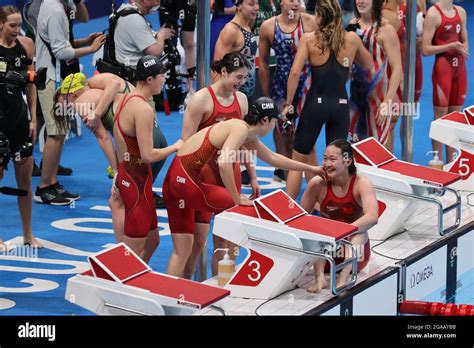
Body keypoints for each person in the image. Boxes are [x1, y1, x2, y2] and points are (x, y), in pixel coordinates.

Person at [163, 97, 327, 278]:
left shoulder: (244, 132)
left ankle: (175, 296)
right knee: (242, 212)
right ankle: (238, 278)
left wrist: (310, 168)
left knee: (182, 251)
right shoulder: (239, 129)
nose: (274, 127)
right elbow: (225, 163)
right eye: (274, 122)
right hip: (186, 182)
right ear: (265, 120)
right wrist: (236, 198)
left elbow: (273, 158)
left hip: (175, 180)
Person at [283, 0, 374, 199]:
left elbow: (295, 73)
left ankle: (289, 210)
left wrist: (288, 105)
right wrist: (354, 47)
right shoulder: (350, 39)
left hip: (315, 105)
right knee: (337, 162)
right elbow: (368, 63)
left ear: (320, 16)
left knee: (298, 161)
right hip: (341, 107)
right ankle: (334, 209)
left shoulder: (309, 39)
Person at [181, 52, 254, 278]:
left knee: (227, 242)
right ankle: (185, 296)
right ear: (223, 72)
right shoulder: (201, 99)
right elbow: (185, 146)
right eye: (238, 77)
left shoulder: (241, 100)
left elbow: (243, 141)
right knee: (197, 244)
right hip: (203, 177)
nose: (241, 83)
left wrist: (252, 175)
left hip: (230, 174)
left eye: (244, 78)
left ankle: (223, 289)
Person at [34, 0, 105, 205]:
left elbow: (64, 40)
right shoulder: (55, 10)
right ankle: (43, 187)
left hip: (61, 77)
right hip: (51, 79)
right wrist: (91, 49)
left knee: (61, 131)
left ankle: (53, 181)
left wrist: (84, 42)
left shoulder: (62, 5)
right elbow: (60, 52)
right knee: (55, 132)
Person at [113, 55, 183, 262]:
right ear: (150, 79)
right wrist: (175, 147)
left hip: (133, 177)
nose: (165, 80)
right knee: (129, 254)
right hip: (136, 183)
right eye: (162, 75)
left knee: (153, 242)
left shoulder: (124, 98)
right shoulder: (143, 109)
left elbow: (121, 144)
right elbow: (148, 155)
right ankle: (119, 288)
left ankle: (135, 278)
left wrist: (119, 172)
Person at [112, 0, 175, 208]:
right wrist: (162, 36)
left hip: (132, 85)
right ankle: (131, 190)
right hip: (133, 86)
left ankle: (134, 188)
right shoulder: (132, 18)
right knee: (151, 146)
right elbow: (154, 50)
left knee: (142, 147)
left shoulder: (130, 14)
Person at [300, 139, 378, 293]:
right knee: (317, 228)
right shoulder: (317, 184)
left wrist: (342, 232)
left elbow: (372, 217)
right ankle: (319, 277)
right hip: (325, 255)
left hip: (356, 257)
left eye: (333, 159)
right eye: (325, 158)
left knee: (360, 232)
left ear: (347, 160)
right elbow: (299, 218)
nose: (327, 164)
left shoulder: (361, 183)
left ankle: (343, 276)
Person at [258, 0, 316, 183]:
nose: (295, 4)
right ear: (281, 2)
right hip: (281, 86)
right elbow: (264, 65)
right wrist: (266, 96)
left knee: (307, 135)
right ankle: (283, 167)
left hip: (306, 84)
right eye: (291, 0)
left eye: (298, 0)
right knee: (285, 132)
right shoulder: (268, 27)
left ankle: (309, 182)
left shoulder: (310, 23)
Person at [0, 5, 42, 247]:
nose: (17, 30)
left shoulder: (26, 45)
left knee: (24, 182)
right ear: (1, 24)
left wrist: (33, 118)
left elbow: (31, 83)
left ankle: (28, 234)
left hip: (19, 119)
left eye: (19, 25)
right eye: (12, 25)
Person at [348, 0, 403, 148]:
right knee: (355, 152)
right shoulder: (352, 25)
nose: (360, 1)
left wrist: (388, 101)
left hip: (377, 103)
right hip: (355, 100)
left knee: (376, 152)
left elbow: (397, 68)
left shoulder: (385, 29)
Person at [422, 0, 468, 164]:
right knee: (440, 117)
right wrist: (450, 46)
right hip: (443, 70)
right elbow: (425, 49)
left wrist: (464, 47)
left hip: (460, 70)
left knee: (456, 116)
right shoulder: (434, 14)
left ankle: (451, 162)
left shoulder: (461, 12)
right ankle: (437, 162)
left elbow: (465, 40)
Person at [400, 0, 426, 103]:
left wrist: (422, 39)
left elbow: (425, 29)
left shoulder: (420, 1)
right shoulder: (388, 3)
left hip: (415, 57)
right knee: (392, 109)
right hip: (396, 58)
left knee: (413, 105)